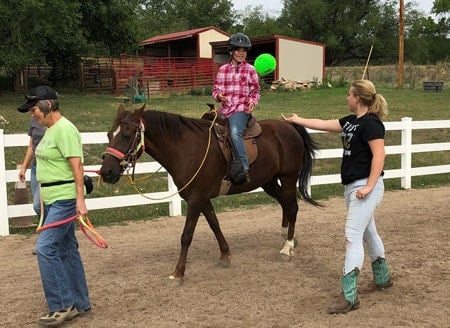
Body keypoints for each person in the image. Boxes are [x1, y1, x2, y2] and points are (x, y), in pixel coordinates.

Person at [282, 79, 393, 314]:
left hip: (365, 186)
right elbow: (324, 124)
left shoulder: (372, 124)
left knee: (352, 235)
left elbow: (379, 156)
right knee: (367, 231)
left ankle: (349, 296)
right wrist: (297, 120)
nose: (346, 98)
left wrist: (370, 186)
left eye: (349, 94)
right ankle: (383, 278)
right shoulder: (352, 121)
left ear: (358, 98)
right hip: (353, 186)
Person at [17, 85, 91, 326]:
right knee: (67, 248)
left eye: (34, 108)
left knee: (45, 248)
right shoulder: (47, 129)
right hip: (52, 200)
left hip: (64, 199)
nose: (32, 113)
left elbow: (76, 166)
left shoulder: (65, 130)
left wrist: (80, 200)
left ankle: (61, 305)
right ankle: (80, 302)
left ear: (48, 105)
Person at [212, 32, 261, 183]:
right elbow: (216, 90)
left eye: (244, 50)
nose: (241, 53)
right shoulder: (223, 69)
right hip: (224, 109)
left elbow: (255, 90)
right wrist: (219, 96)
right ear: (231, 51)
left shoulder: (250, 70)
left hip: (240, 109)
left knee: (234, 133)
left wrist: (253, 100)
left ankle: (243, 167)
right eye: (238, 50)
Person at [17, 117, 46, 216]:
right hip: (35, 167)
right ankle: (49, 228)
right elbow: (31, 146)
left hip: (48, 167)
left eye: (33, 109)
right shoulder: (34, 120)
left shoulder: (53, 121)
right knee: (39, 205)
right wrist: (24, 167)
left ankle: (50, 229)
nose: (31, 113)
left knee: (38, 205)